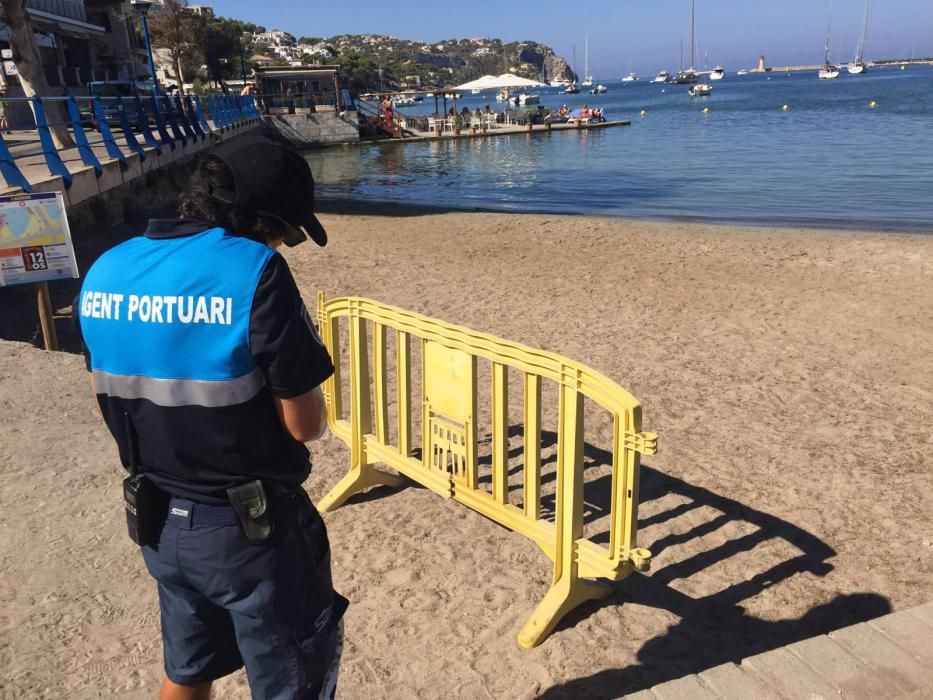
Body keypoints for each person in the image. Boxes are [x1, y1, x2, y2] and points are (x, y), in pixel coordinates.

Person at [75, 137, 347, 700]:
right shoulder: (256, 271)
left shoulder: (107, 268)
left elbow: (107, 394)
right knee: (292, 681)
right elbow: (304, 424)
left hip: (157, 518)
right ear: (261, 218)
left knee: (187, 672)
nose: (282, 243)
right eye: (287, 231)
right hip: (250, 531)